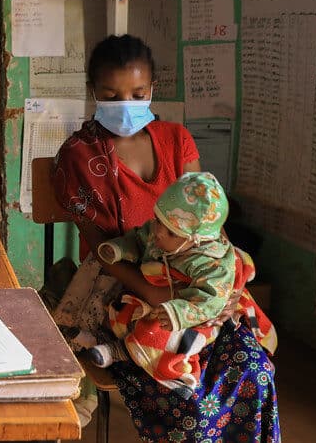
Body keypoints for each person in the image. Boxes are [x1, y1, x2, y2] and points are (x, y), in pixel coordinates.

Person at [51, 34, 280, 441]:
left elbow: (207, 222)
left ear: (152, 89)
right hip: (123, 284)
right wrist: (152, 293)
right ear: (94, 93)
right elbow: (102, 251)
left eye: (138, 93)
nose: (127, 103)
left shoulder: (176, 139)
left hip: (195, 276)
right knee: (183, 385)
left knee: (251, 366)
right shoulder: (78, 155)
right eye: (112, 94)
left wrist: (223, 281)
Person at [87, 172, 277, 401]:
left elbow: (210, 300)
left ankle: (122, 352)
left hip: (198, 311)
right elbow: (139, 238)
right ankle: (122, 347)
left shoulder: (213, 264)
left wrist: (177, 312)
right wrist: (118, 249)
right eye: (158, 220)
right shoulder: (163, 230)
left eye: (169, 232)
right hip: (159, 296)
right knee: (125, 312)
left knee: (163, 335)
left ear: (196, 240)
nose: (157, 232)